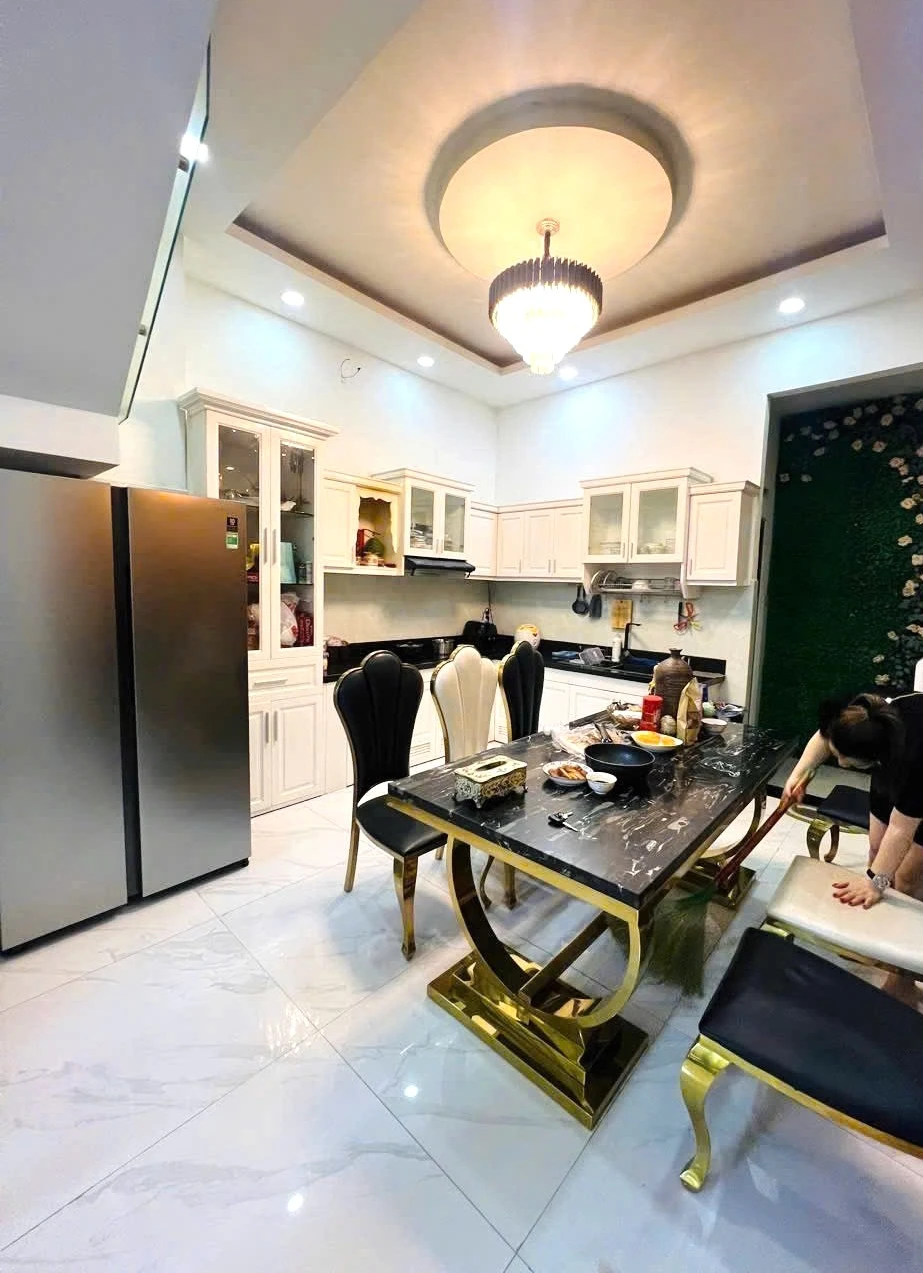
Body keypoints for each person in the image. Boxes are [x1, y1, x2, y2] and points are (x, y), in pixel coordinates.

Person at [784, 692, 923, 1002]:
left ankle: (903, 981)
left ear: (870, 755)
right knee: (876, 849)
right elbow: (826, 736)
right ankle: (877, 939)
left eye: (844, 759)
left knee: (906, 878)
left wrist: (875, 882)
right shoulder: (863, 713)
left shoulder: (915, 760)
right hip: (893, 765)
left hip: (917, 780)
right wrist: (800, 773)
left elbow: (901, 829)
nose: (840, 763)